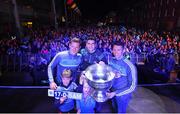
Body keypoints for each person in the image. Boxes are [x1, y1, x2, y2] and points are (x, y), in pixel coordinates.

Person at [106, 41, 137, 113]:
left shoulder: (129, 65)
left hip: (122, 95)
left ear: (123, 50)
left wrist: (116, 93)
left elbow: (132, 86)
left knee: (121, 112)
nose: (116, 52)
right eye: (114, 49)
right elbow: (109, 75)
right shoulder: (111, 61)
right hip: (112, 92)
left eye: (119, 50)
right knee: (114, 109)